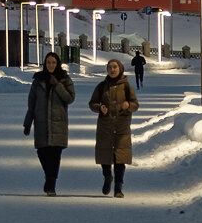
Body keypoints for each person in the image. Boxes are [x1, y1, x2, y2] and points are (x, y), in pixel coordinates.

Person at [23, 51, 76, 196]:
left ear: (57, 64)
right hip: (41, 122)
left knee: (55, 153)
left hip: (58, 121)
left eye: (53, 62)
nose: (51, 65)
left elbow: (70, 98)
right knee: (42, 152)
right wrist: (27, 123)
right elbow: (31, 103)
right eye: (48, 62)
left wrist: (57, 84)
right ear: (44, 64)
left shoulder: (64, 79)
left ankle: (51, 182)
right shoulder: (38, 80)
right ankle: (49, 176)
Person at [89, 58, 139, 198]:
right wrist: (100, 108)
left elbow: (135, 104)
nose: (112, 69)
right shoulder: (101, 86)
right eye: (110, 67)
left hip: (121, 127)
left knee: (120, 157)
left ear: (120, 69)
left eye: (115, 67)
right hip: (105, 126)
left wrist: (128, 106)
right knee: (104, 155)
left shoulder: (126, 87)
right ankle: (107, 177)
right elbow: (92, 103)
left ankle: (118, 187)